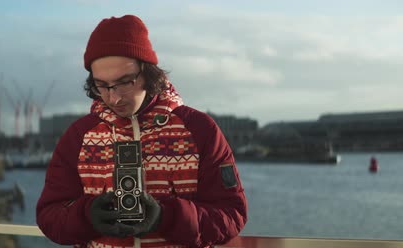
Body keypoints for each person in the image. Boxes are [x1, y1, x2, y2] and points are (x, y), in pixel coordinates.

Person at [36, 14, 248, 247]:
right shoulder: (78, 137)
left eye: (125, 81)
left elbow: (232, 214)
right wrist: (86, 216)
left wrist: (167, 217)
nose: (114, 98)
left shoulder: (200, 129)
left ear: (148, 73)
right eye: (102, 86)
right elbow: (48, 216)